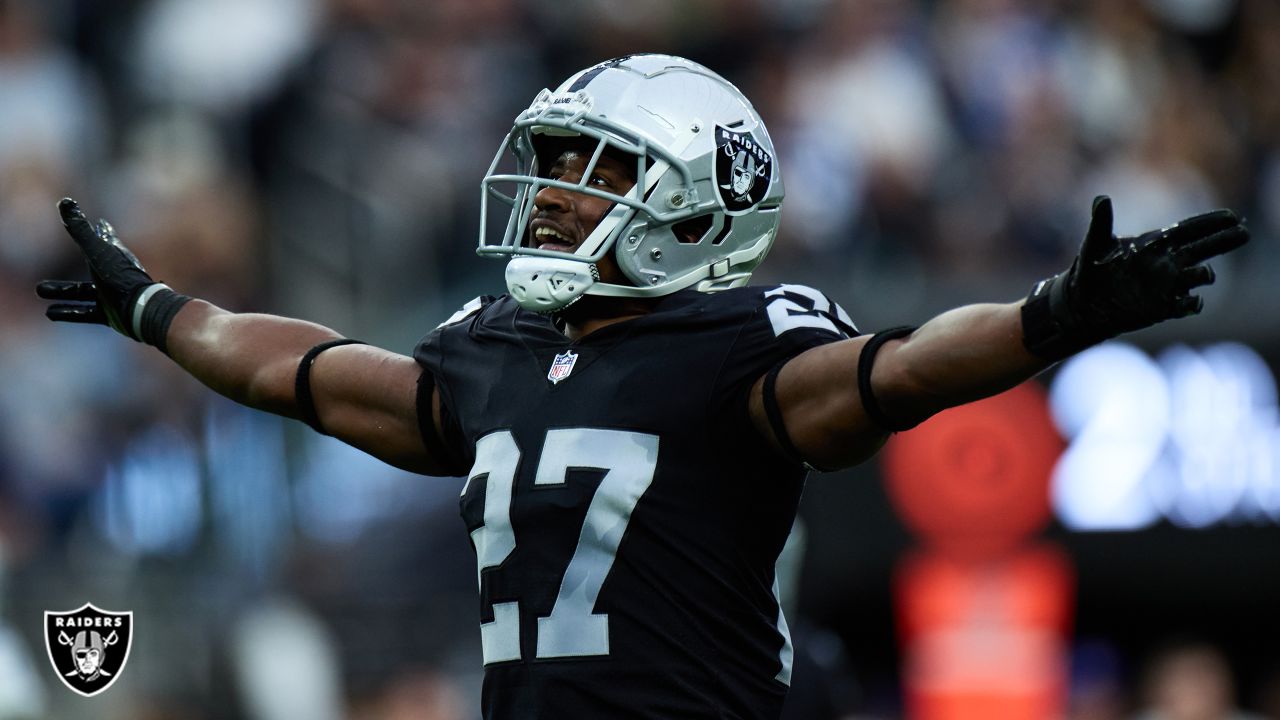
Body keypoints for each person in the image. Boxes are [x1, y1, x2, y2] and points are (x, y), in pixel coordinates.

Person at [37, 54, 1247, 719]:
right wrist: (161, 311)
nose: (554, 192)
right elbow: (310, 375)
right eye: (554, 165)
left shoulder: (739, 346)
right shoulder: (495, 346)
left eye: (590, 169)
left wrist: (1051, 316)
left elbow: (897, 370)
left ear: (692, 203)